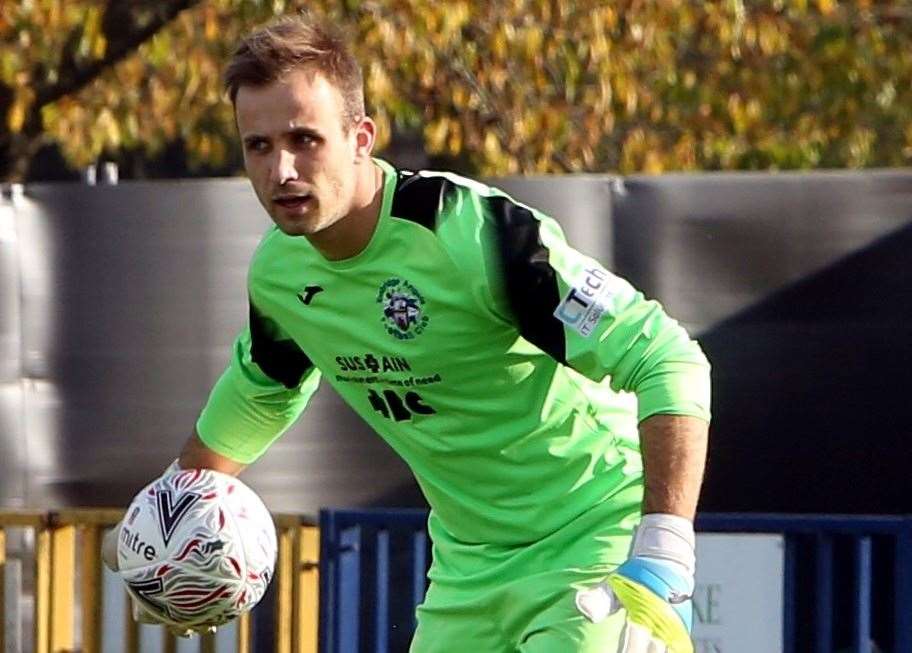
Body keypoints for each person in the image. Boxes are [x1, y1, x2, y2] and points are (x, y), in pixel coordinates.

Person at [104, 13, 710, 652]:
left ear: (361, 137)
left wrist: (665, 551)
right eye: (258, 145)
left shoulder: (469, 233)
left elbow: (669, 359)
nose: (281, 169)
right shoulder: (281, 273)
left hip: (596, 542)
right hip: (469, 571)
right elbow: (261, 392)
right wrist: (158, 529)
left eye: (304, 139)